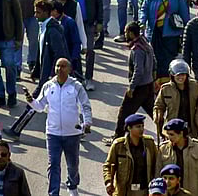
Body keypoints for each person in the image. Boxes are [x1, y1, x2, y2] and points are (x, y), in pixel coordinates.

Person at [24, 57, 92, 196]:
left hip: (72, 133)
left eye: (63, 66)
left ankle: (72, 186)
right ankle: (53, 192)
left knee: (73, 164)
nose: (59, 69)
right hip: (53, 133)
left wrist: (87, 123)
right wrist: (31, 100)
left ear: (69, 69)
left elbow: (85, 106)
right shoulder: (48, 86)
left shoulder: (76, 86)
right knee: (53, 164)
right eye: (57, 66)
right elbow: (40, 106)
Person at [103, 113, 160, 196]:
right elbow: (107, 165)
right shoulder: (118, 145)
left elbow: (157, 164)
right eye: (138, 127)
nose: (141, 129)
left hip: (144, 190)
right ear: (129, 128)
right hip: (125, 191)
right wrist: (108, 182)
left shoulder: (149, 143)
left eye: (142, 126)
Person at [154, 60, 198, 140]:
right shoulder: (166, 89)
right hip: (172, 129)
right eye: (178, 75)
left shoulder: (195, 86)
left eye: (183, 75)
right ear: (172, 75)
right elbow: (159, 106)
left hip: (190, 129)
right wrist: (158, 116)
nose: (181, 78)